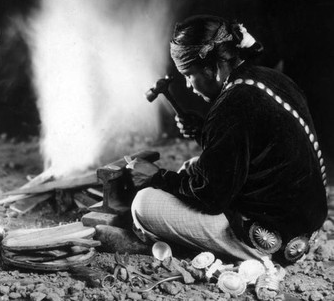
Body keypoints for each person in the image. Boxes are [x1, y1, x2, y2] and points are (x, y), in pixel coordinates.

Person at [128, 15, 328, 263]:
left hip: (272, 241)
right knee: (192, 166)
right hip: (304, 227)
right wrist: (204, 131)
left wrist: (157, 176)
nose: (189, 86)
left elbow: (211, 198)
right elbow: (254, 147)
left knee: (143, 203)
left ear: (212, 68)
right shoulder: (271, 78)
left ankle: (232, 254)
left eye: (189, 75)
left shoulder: (231, 106)